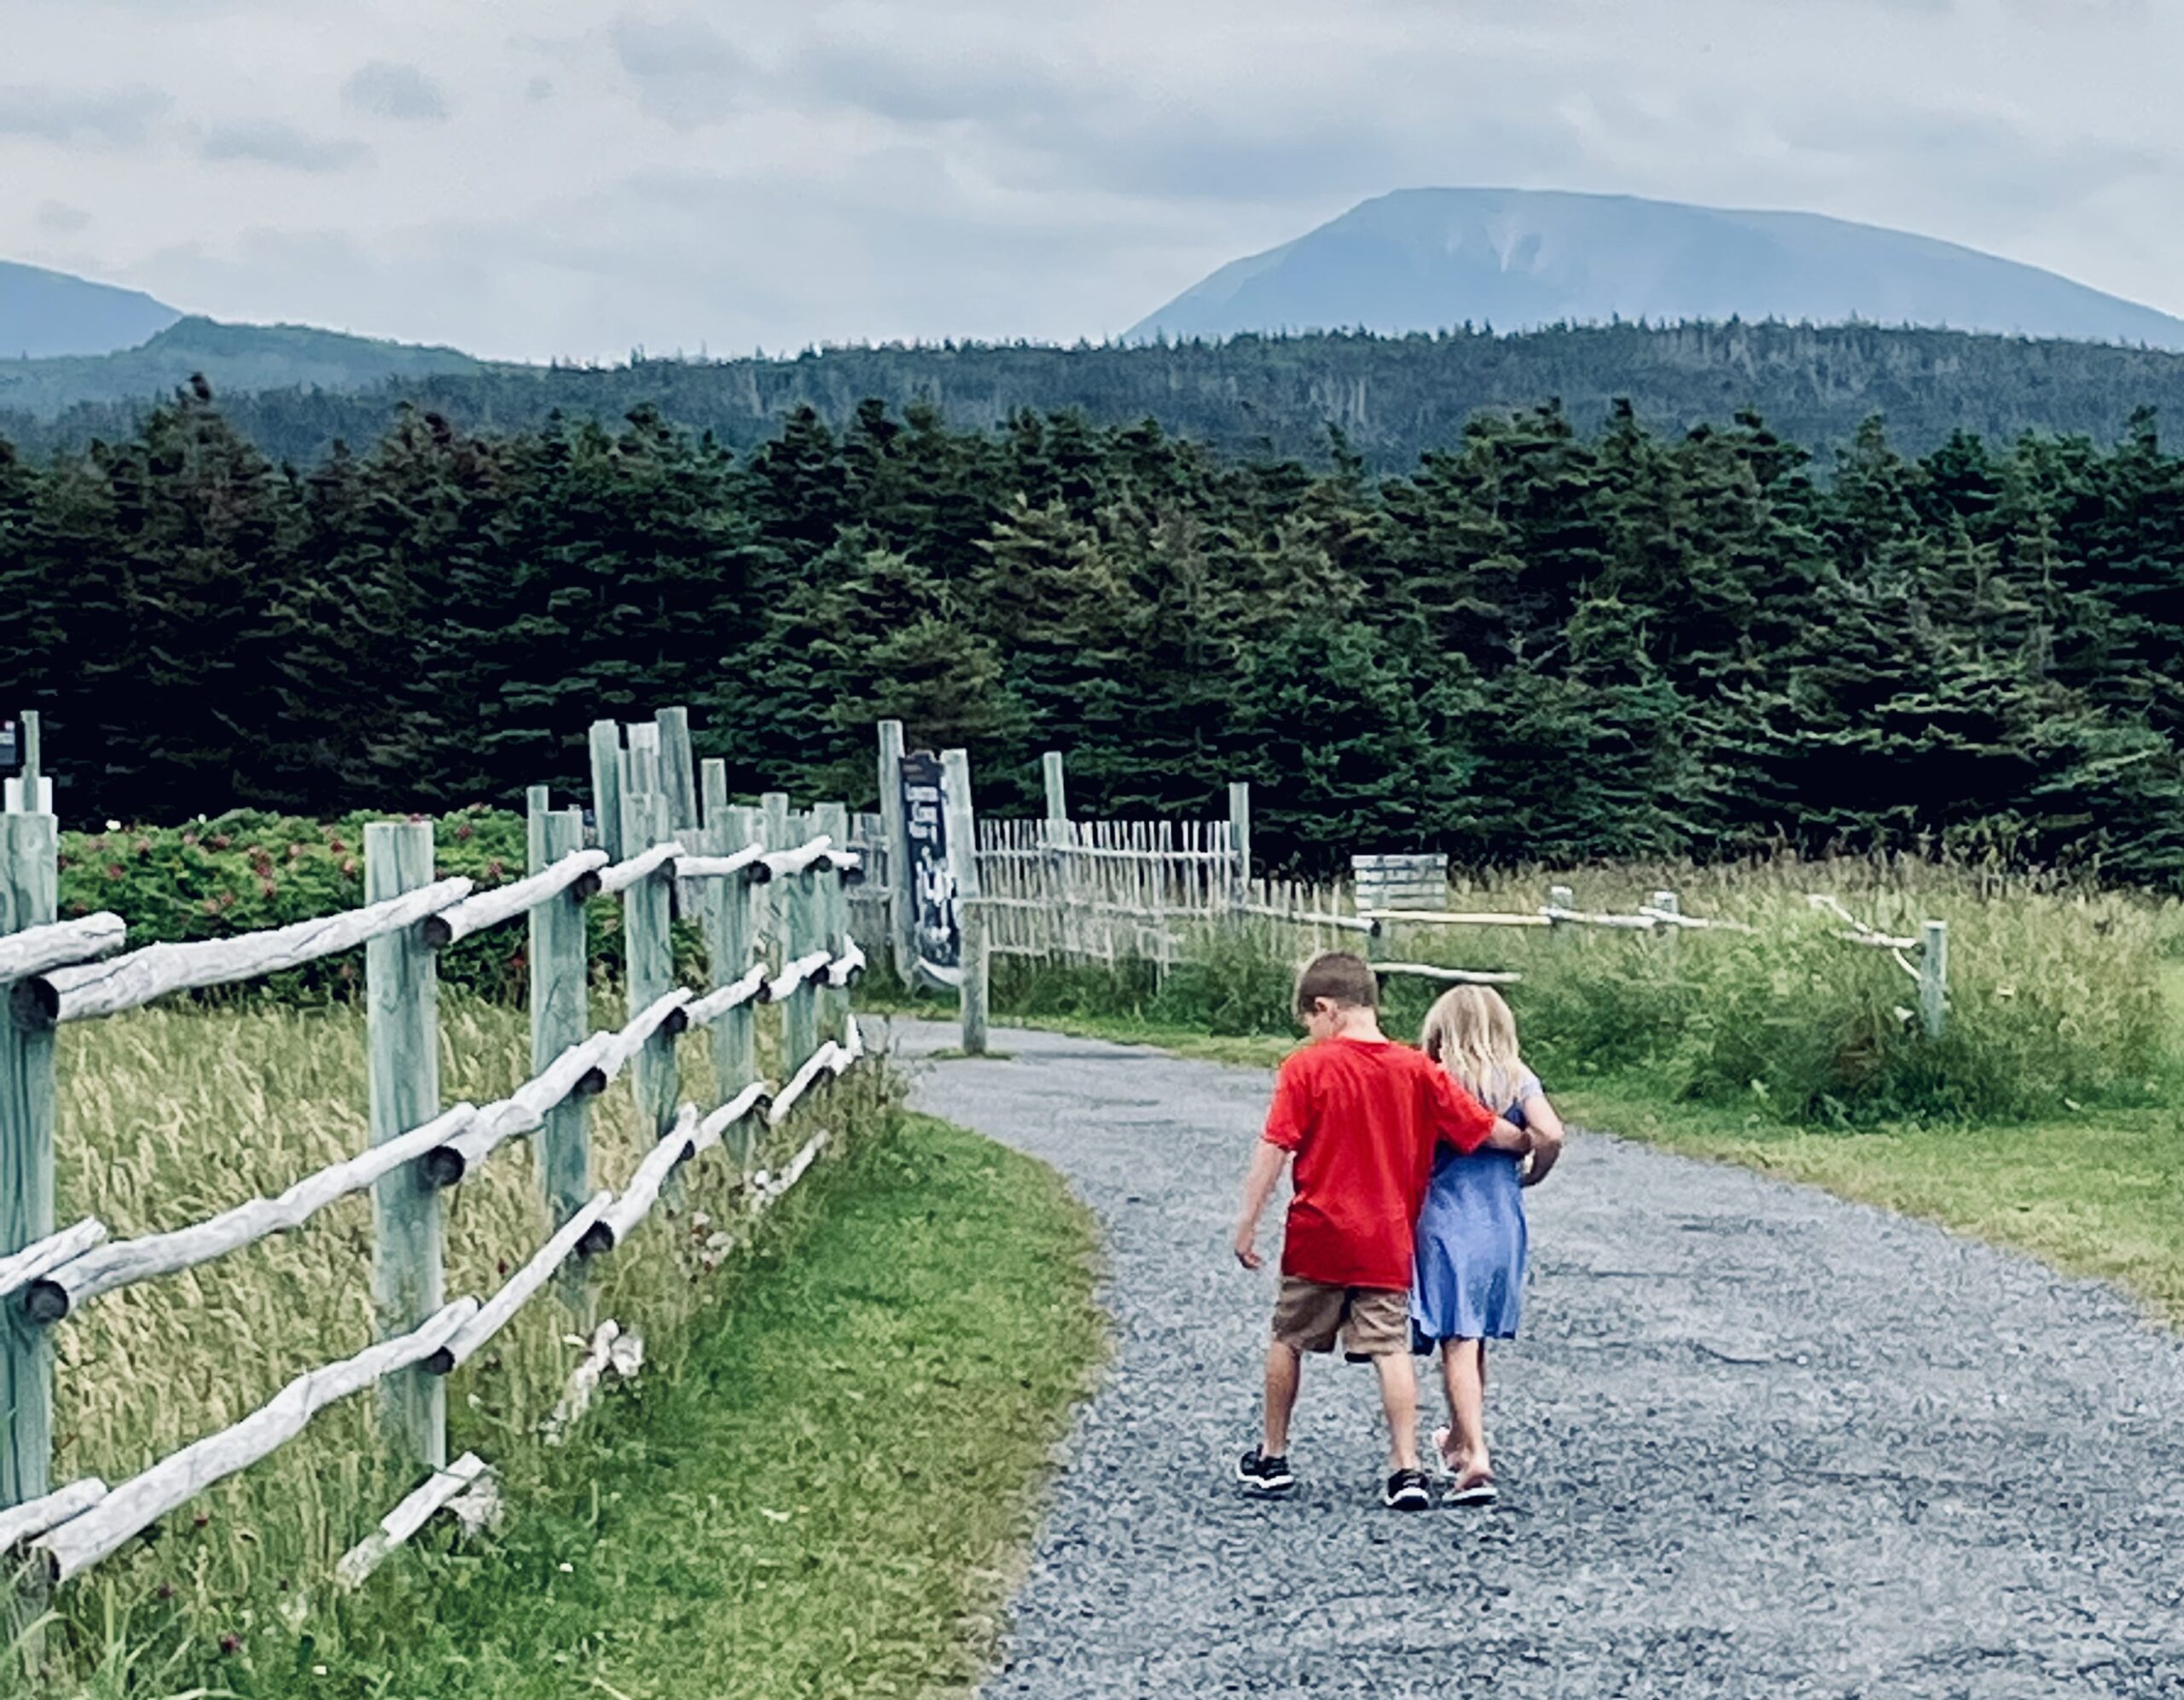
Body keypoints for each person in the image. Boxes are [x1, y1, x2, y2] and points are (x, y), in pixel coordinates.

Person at [1232, 951, 1535, 1511]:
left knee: (1289, 1338)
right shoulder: (1416, 1069)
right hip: (1388, 1239)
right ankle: (1406, 1468)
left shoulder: (1305, 1068)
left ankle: (1272, 1456)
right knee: (1391, 1349)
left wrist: (1248, 1222)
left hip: (1318, 1234)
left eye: (1310, 1020)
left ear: (1326, 1008)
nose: (1311, 1031)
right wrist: (1529, 1140)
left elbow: (1275, 1146)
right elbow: (1479, 1126)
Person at [1410, 985, 1566, 1507]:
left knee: (1457, 1337)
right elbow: (1551, 1133)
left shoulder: (1434, 1079)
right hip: (1501, 1221)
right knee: (1475, 1337)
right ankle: (1457, 1439)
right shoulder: (1516, 1077)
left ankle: (1476, 1454)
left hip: (1445, 1219)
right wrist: (1533, 1172)